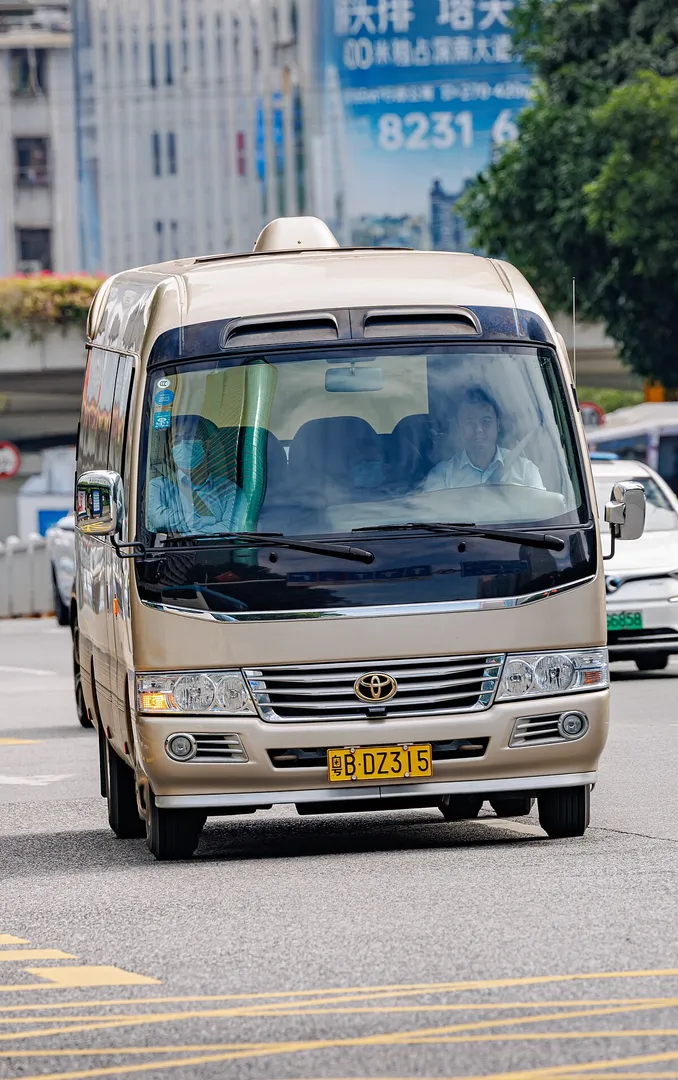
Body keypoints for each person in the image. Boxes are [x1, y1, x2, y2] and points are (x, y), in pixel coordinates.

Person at [422, 385, 544, 492]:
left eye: (486, 421)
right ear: (459, 428)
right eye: (469, 422)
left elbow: (542, 513)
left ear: (497, 425)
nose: (478, 429)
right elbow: (431, 516)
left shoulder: (525, 471)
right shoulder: (442, 476)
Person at [147, 416, 242, 535]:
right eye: (176, 441)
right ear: (171, 452)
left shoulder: (229, 491)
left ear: (206, 446)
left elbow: (231, 530)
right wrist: (207, 521)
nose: (182, 444)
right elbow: (158, 519)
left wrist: (187, 534)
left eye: (189, 438)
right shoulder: (158, 487)